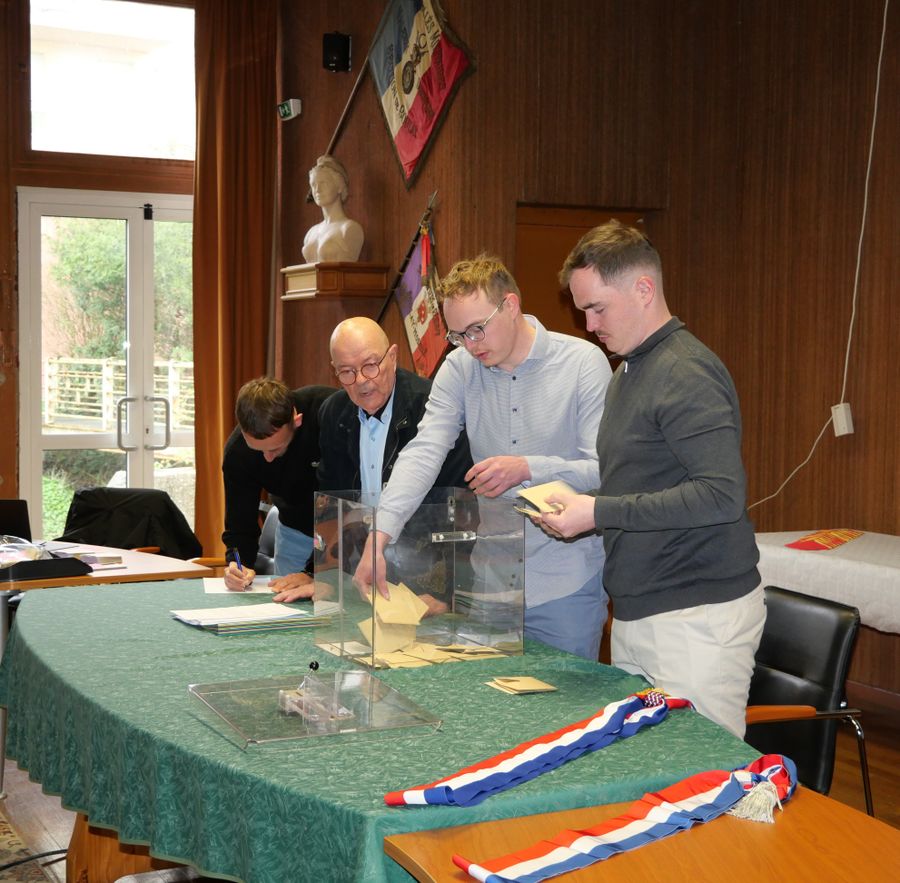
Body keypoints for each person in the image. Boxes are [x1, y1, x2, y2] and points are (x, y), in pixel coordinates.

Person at [540, 219, 764, 738]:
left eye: (598, 308)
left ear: (644, 289)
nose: (589, 324)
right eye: (583, 310)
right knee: (649, 766)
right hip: (640, 612)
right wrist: (581, 503)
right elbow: (640, 485)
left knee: (702, 773)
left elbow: (721, 496)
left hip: (697, 617)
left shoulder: (685, 370)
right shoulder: (627, 370)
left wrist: (597, 512)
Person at [354, 255, 612, 660]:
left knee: (568, 700)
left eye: (477, 329)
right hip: (491, 583)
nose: (471, 345)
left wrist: (528, 468)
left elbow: (603, 470)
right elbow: (423, 451)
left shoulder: (582, 363)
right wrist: (380, 535)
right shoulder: (459, 368)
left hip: (565, 583)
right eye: (458, 335)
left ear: (511, 305)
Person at [272, 316, 473, 603]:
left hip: (427, 574)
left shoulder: (432, 408)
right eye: (347, 372)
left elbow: (457, 506)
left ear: (392, 356)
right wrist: (323, 577)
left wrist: (445, 595)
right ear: (334, 371)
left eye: (370, 365)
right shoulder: (334, 413)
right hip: (363, 573)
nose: (361, 381)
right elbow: (333, 505)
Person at [221, 379, 334, 593]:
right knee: (285, 601)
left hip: (342, 527)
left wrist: (311, 572)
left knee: (337, 602)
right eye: (258, 450)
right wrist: (238, 564)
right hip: (294, 529)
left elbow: (346, 495)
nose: (268, 458)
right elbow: (239, 524)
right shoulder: (237, 453)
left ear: (297, 421)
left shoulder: (327, 413)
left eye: (276, 448)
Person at [301, 155, 364, 263]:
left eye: (323, 183)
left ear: (339, 186)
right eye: (313, 185)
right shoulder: (311, 233)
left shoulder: (349, 229)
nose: (317, 190)